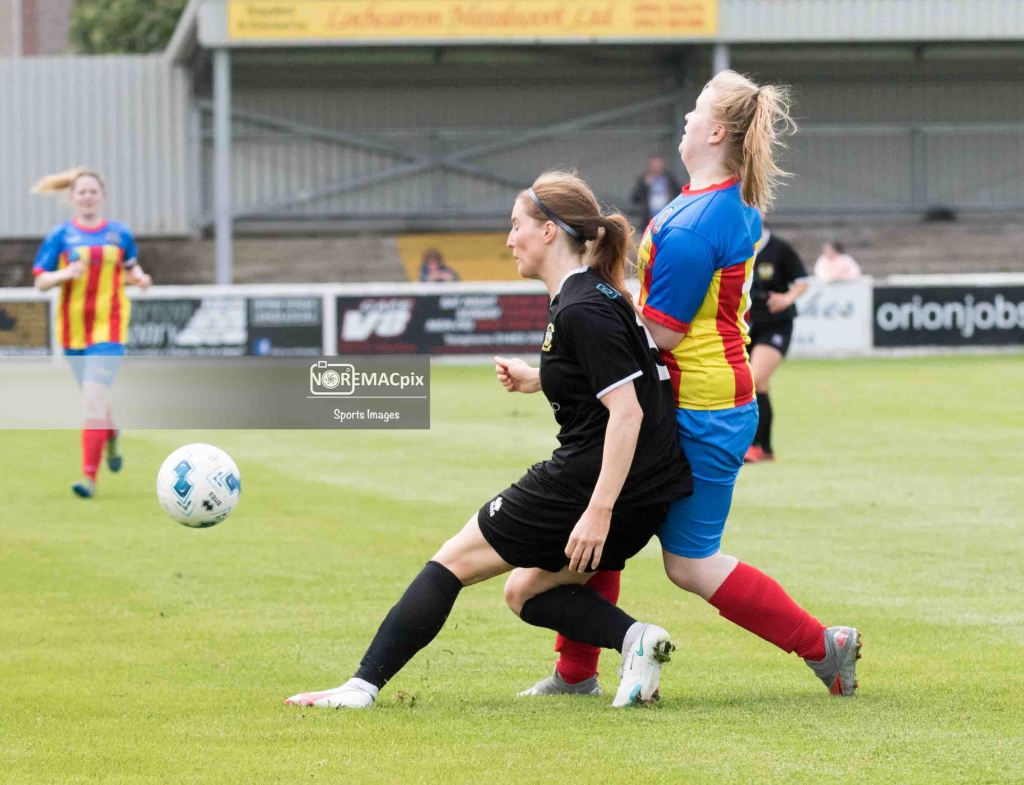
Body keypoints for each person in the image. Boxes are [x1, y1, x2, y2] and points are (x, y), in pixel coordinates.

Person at [285, 171, 692, 710]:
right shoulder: (596, 294)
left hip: (597, 484)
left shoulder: (583, 308)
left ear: (548, 231)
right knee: (523, 592)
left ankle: (360, 688)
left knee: (452, 561)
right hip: (644, 488)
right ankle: (636, 641)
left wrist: (598, 511)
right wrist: (539, 378)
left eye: (516, 225)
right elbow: (619, 379)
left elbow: (628, 411)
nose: (509, 239)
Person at [516, 71, 861, 700]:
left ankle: (823, 646)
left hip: (700, 405)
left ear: (718, 131)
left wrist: (584, 325)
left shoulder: (695, 223)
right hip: (697, 398)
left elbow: (662, 334)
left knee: (689, 562)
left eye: (696, 109)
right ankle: (576, 671)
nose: (685, 118)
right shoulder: (713, 203)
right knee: (610, 523)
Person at [31, 168, 152, 498]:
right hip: (73, 331)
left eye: (93, 191)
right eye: (81, 192)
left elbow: (130, 269)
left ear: (103, 196)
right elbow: (41, 281)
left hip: (109, 327)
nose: (87, 197)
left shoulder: (119, 235)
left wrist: (140, 279)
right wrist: (64, 274)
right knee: (94, 400)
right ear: (72, 198)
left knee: (92, 400)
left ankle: (89, 478)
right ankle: (111, 434)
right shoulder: (60, 236)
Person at [744, 225, 809, 463]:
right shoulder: (738, 245)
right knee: (759, 386)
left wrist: (787, 298)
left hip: (776, 324)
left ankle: (753, 445)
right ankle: (765, 448)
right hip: (746, 326)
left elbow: (802, 281)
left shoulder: (779, 248)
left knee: (754, 379)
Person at [630, 156, 681, 231]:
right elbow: (635, 198)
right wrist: (644, 185)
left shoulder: (669, 178)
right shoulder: (644, 178)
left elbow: (679, 193)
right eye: (654, 165)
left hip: (667, 214)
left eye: (658, 165)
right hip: (649, 216)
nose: (656, 167)